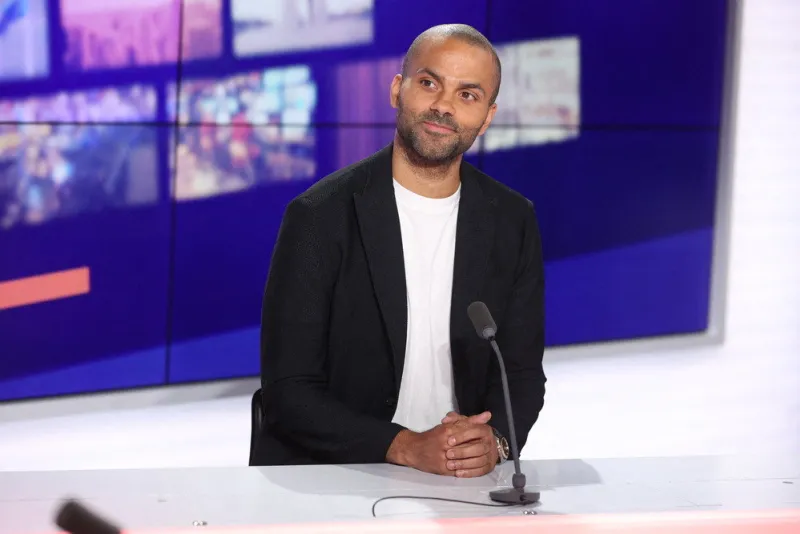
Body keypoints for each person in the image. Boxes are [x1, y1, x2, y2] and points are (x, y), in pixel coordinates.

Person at [251, 24, 546, 478]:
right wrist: (405, 446)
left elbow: (522, 374)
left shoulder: (512, 219)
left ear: (487, 117)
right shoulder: (319, 216)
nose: (443, 106)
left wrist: (496, 443)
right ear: (397, 89)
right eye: (429, 83)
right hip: (338, 476)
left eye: (467, 95)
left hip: (458, 485)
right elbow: (288, 392)